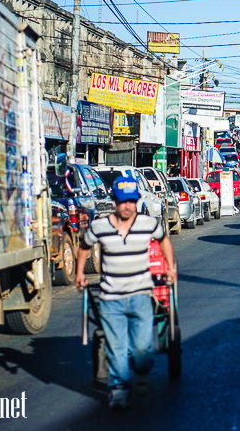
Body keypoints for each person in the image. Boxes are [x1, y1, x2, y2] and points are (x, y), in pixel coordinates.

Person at [76, 176, 176, 410]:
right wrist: (79, 273)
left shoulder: (148, 224)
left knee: (142, 349)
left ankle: (141, 370)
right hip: (111, 299)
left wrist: (170, 266)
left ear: (137, 201)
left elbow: (164, 241)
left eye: (131, 201)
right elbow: (83, 248)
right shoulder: (99, 227)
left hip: (141, 296)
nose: (127, 206)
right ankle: (119, 389)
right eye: (123, 202)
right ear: (114, 202)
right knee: (117, 347)